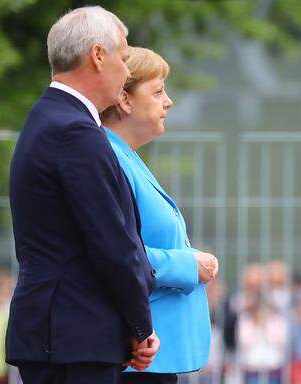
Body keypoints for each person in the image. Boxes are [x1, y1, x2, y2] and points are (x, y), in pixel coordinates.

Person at [7, 7, 159, 384]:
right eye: (123, 59)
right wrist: (141, 326)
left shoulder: (48, 117)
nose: (126, 72)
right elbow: (111, 240)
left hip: (60, 333)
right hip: (75, 337)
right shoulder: (75, 131)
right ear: (97, 56)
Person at [101, 46, 219, 384]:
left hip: (152, 356)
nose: (168, 102)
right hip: (138, 356)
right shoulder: (110, 158)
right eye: (157, 91)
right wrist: (189, 265)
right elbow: (113, 251)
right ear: (124, 99)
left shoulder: (126, 157)